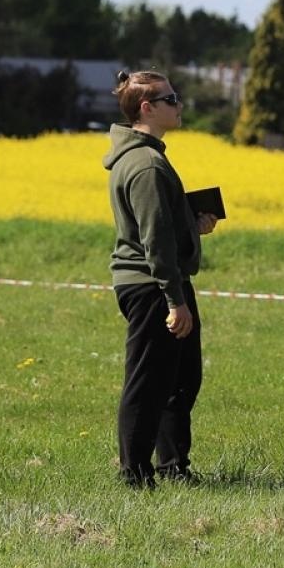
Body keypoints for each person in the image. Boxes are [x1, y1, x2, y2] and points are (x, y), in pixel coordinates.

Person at [103, 69, 218, 488]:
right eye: (172, 99)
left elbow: (161, 225)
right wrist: (174, 300)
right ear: (147, 109)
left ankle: (172, 465)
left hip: (159, 282)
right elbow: (153, 239)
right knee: (148, 381)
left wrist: (192, 223)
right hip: (153, 285)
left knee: (182, 379)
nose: (180, 104)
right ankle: (134, 473)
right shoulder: (147, 163)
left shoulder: (147, 155)